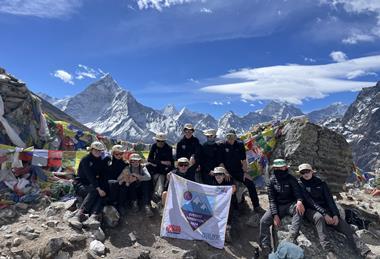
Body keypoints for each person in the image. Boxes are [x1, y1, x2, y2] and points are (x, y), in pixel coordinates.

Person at [297, 163, 376, 259]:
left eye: (307, 171)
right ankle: (329, 252)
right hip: (310, 210)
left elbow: (330, 200)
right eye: (303, 172)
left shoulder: (321, 183)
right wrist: (324, 214)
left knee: (347, 228)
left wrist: (335, 215)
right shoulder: (300, 184)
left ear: (312, 171)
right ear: (300, 173)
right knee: (319, 218)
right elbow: (310, 202)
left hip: (327, 210)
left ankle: (366, 252)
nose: (305, 174)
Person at [259, 159, 305, 258]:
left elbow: (298, 193)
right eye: (278, 167)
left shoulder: (291, 179)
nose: (281, 169)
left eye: (282, 167)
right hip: (278, 206)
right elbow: (272, 200)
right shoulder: (271, 181)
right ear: (275, 168)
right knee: (263, 221)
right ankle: (265, 247)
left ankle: (292, 237)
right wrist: (275, 215)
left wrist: (299, 201)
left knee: (299, 210)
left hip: (290, 205)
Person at [219, 129, 263, 213]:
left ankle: (256, 206)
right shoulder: (222, 146)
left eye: (232, 136)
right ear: (226, 137)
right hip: (227, 172)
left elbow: (243, 160)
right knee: (230, 188)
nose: (230, 138)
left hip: (238, 171)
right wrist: (225, 173)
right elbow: (220, 162)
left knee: (250, 183)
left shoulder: (239, 144)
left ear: (235, 137)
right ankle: (234, 209)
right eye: (228, 136)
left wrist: (245, 173)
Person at [69, 141, 108, 229]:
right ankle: (78, 215)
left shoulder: (100, 161)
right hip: (80, 184)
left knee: (103, 193)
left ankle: (93, 216)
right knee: (95, 191)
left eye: (100, 150)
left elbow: (101, 175)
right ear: (91, 150)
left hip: (92, 184)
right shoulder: (85, 160)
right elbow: (90, 176)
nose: (98, 152)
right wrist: (98, 188)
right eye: (96, 150)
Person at [209, 166, 236, 243]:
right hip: (216, 203)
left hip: (228, 203)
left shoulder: (229, 180)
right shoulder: (212, 180)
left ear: (224, 175)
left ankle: (227, 228)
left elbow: (234, 190)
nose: (217, 176)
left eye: (220, 174)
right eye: (216, 174)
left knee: (229, 207)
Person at [122, 153, 153, 217]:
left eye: (137, 161)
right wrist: (131, 179)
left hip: (141, 189)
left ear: (139, 161)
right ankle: (134, 202)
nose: (135, 162)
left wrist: (136, 176)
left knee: (146, 182)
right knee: (132, 181)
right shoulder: (127, 168)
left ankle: (146, 205)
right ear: (130, 161)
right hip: (131, 190)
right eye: (133, 161)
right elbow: (123, 179)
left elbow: (148, 177)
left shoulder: (142, 167)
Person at [146, 132, 174, 202]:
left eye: (162, 141)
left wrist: (156, 162)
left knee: (161, 177)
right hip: (155, 168)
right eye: (158, 141)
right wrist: (161, 162)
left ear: (165, 141)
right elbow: (149, 159)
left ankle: (157, 195)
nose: (160, 143)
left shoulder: (168, 148)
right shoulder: (154, 146)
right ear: (156, 140)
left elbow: (170, 163)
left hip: (163, 170)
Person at [104, 145, 128, 215]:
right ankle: (113, 204)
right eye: (117, 154)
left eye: (121, 154)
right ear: (113, 153)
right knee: (113, 184)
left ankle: (121, 205)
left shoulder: (125, 163)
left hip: (119, 181)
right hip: (109, 181)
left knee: (123, 184)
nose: (119, 156)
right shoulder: (108, 161)